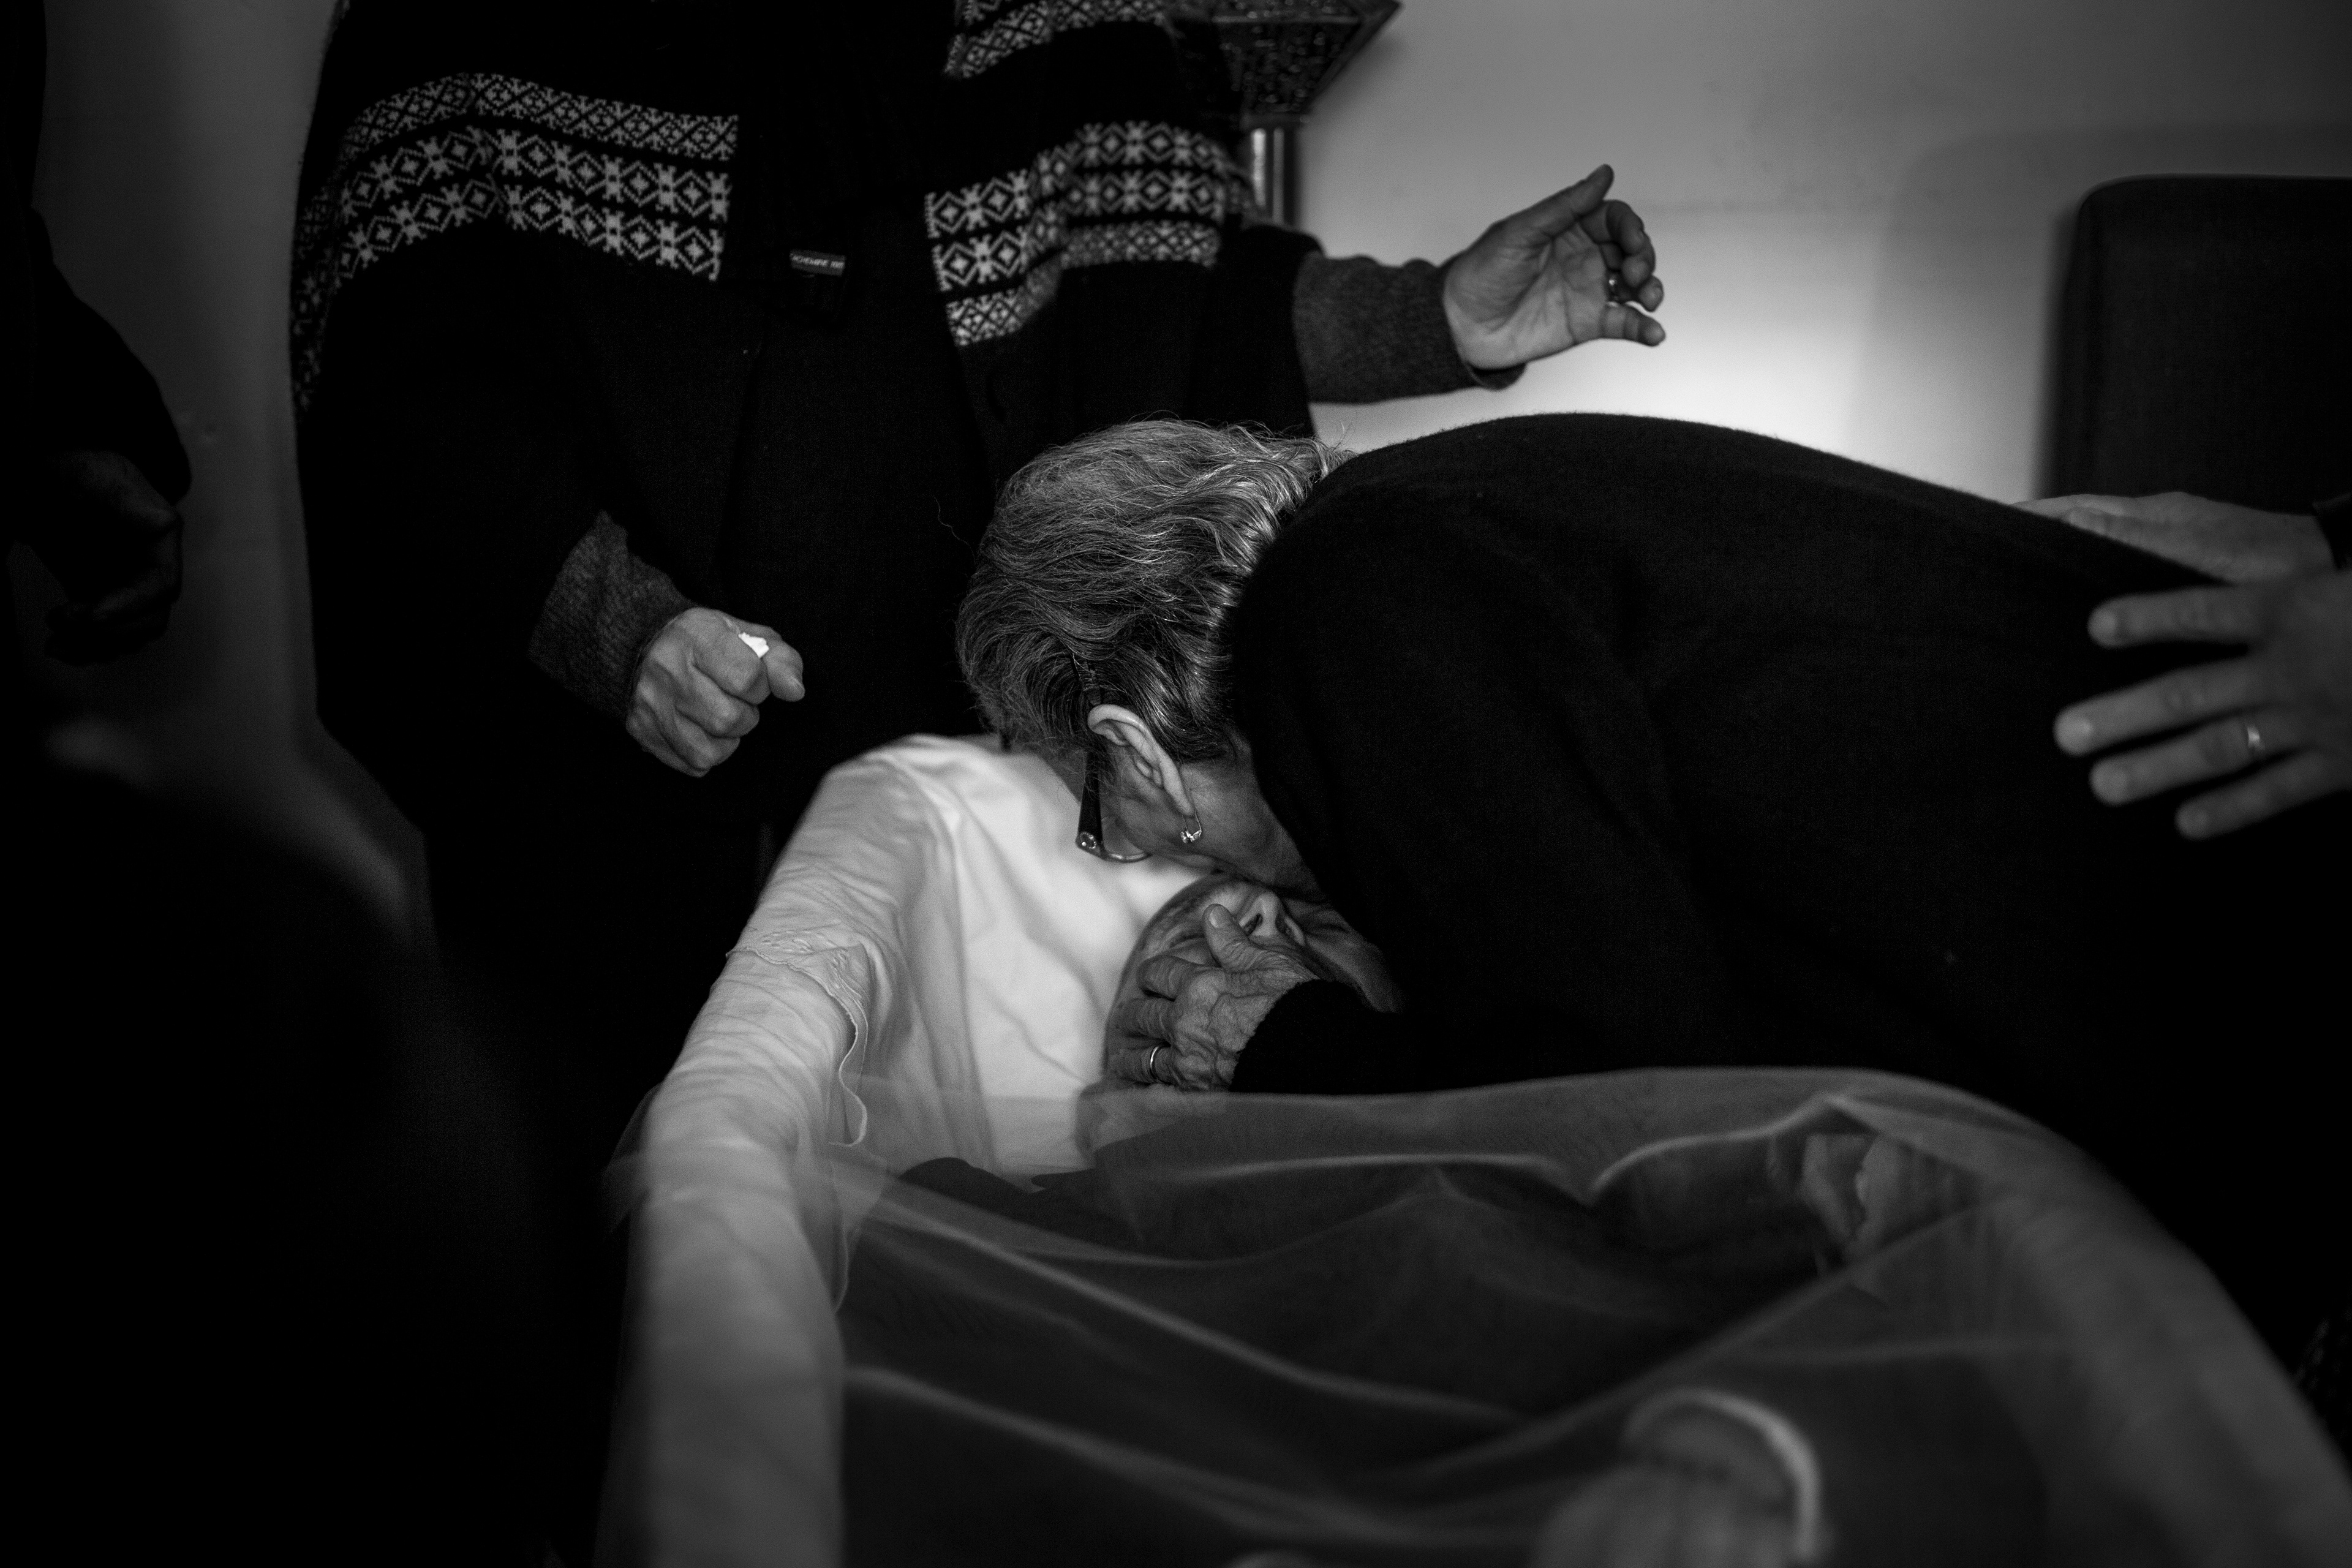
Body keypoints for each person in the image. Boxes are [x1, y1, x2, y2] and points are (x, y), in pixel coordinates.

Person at [953, 413, 2350, 1360]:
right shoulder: (1439, 524)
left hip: (2265, 1138)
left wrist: (1276, 1052)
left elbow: (1636, 1117)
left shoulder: (1353, 607)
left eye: (1113, 820)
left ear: (1133, 746)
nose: (1164, 862)